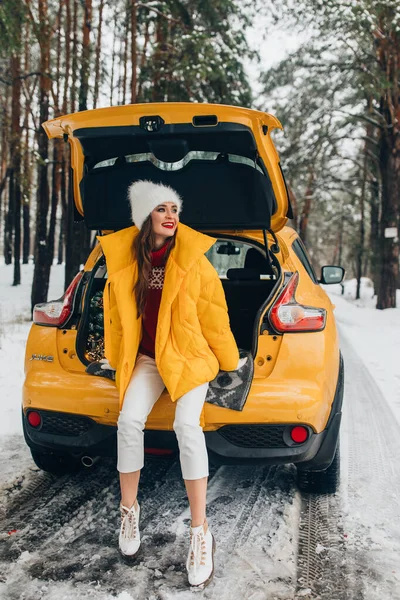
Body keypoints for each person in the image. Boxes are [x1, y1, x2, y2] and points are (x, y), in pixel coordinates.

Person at [97, 180, 242, 589]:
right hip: (148, 359)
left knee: (185, 426)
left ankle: (200, 531)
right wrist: (115, 356)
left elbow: (215, 315)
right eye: (161, 209)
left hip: (190, 358)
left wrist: (229, 360)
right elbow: (116, 317)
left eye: (174, 209)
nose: (171, 216)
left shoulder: (194, 261)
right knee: (128, 421)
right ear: (146, 218)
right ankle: (129, 513)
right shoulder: (127, 261)